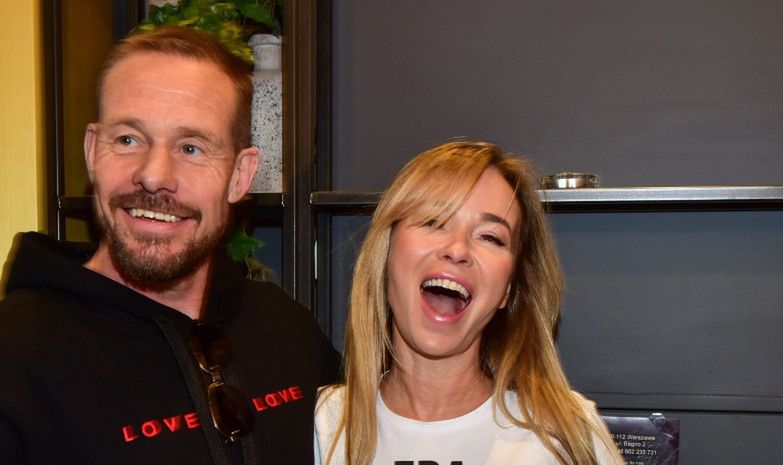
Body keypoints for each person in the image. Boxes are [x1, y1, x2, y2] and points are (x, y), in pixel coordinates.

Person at [0, 26, 339, 465]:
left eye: (191, 148)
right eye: (128, 139)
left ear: (240, 175)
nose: (154, 175)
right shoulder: (15, 358)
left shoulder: (287, 329)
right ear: (92, 152)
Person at [314, 141, 625, 465]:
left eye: (490, 237)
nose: (458, 249)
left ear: (508, 289)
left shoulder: (567, 434)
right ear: (387, 253)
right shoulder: (323, 425)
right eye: (433, 221)